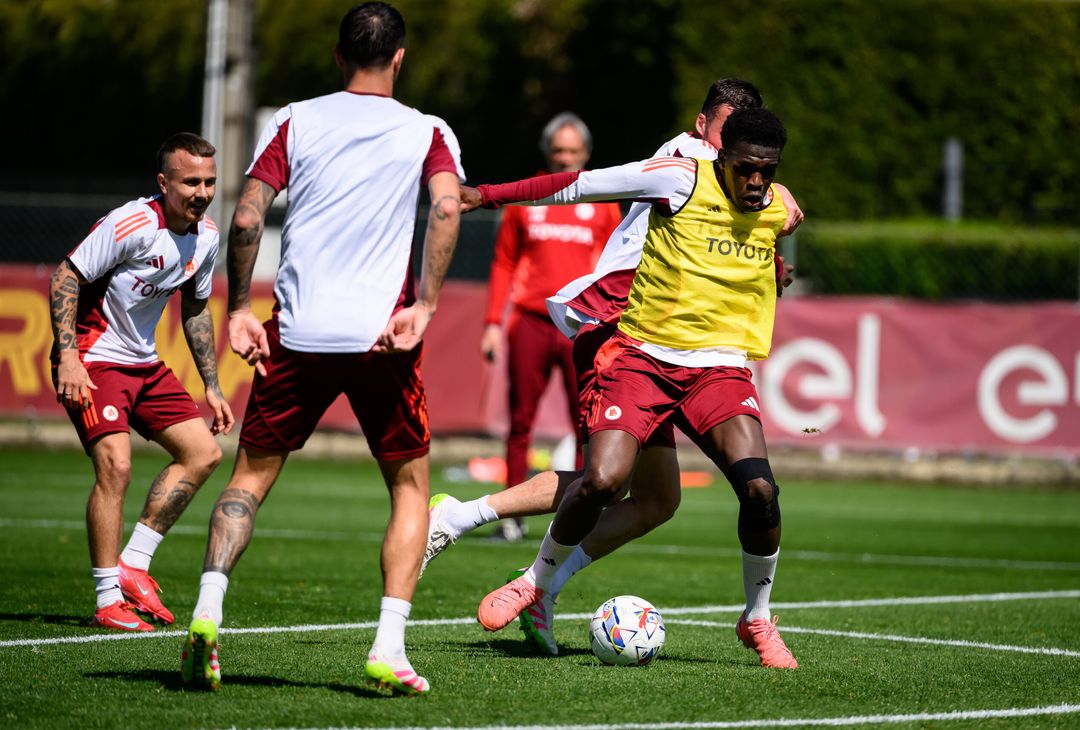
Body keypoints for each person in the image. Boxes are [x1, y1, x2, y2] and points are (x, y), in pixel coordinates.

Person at [424, 80, 800, 667]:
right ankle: (527, 573)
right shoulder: (679, 165)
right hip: (620, 329)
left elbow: (752, 226)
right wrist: (488, 195)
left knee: (658, 500)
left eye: (762, 161)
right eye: (728, 132)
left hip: (710, 360)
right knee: (604, 482)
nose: (749, 166)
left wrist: (774, 254)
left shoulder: (765, 194)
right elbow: (583, 185)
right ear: (706, 129)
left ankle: (502, 553)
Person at [179, 2, 462, 695]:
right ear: (400, 58)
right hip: (380, 339)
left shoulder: (294, 119)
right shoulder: (427, 129)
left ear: (339, 57)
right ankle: (388, 648)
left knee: (249, 479)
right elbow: (449, 207)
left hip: (297, 334)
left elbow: (246, 215)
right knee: (409, 488)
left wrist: (241, 307)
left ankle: (207, 612)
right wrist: (424, 305)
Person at [47, 132, 233, 632]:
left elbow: (195, 308)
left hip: (143, 364)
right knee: (117, 466)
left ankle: (134, 564)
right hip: (93, 358)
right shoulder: (132, 223)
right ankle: (109, 598)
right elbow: (66, 275)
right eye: (190, 181)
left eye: (210, 182)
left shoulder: (208, 235)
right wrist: (68, 356)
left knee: (204, 453)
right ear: (163, 182)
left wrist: (211, 386)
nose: (202, 191)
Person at [481, 112, 622, 542]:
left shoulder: (603, 202)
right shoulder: (531, 199)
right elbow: (504, 261)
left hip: (582, 325)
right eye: (559, 151)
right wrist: (491, 322)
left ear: (586, 155)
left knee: (589, 419)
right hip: (530, 321)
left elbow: (617, 265)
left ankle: (585, 508)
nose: (565, 159)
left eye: (573, 152)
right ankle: (512, 518)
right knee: (520, 421)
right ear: (548, 153)